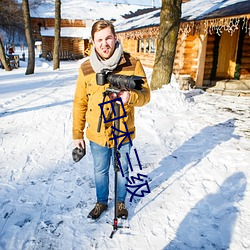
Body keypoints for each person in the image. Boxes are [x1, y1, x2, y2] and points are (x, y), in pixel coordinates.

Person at [72, 20, 150, 220]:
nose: (104, 43)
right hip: (97, 134)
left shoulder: (132, 63)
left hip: (123, 131)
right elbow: (80, 102)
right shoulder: (86, 68)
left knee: (122, 169)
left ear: (115, 38)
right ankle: (101, 202)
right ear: (93, 42)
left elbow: (146, 95)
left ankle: (121, 202)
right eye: (99, 40)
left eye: (108, 38)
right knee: (100, 171)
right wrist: (77, 134)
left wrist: (129, 97)